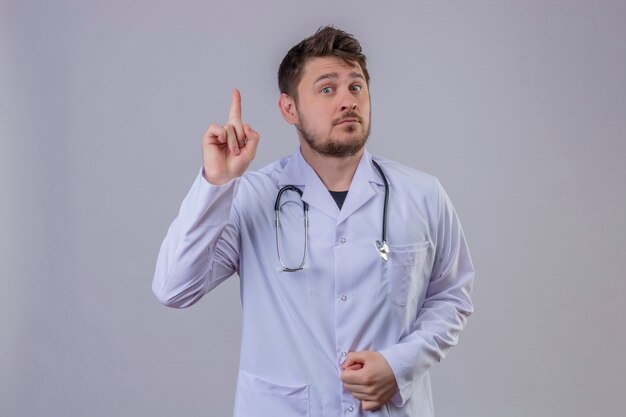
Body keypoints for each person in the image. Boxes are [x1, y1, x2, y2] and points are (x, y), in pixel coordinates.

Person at [152, 26, 474, 417]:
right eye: (327, 89)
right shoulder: (251, 197)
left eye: (356, 87)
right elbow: (174, 288)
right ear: (289, 109)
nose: (347, 101)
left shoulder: (423, 195)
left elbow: (451, 296)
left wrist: (400, 364)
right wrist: (217, 184)